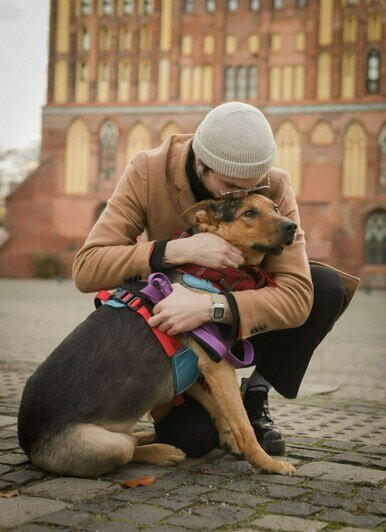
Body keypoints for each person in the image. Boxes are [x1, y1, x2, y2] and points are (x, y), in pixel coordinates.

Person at [73, 102, 359, 458]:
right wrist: (176, 251)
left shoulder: (276, 184)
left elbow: (298, 295)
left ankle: (255, 396)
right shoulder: (148, 170)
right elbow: (86, 267)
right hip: (174, 336)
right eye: (229, 187)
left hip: (236, 310)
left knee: (325, 287)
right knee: (195, 441)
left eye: (254, 186)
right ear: (199, 162)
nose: (242, 194)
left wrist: (212, 307)